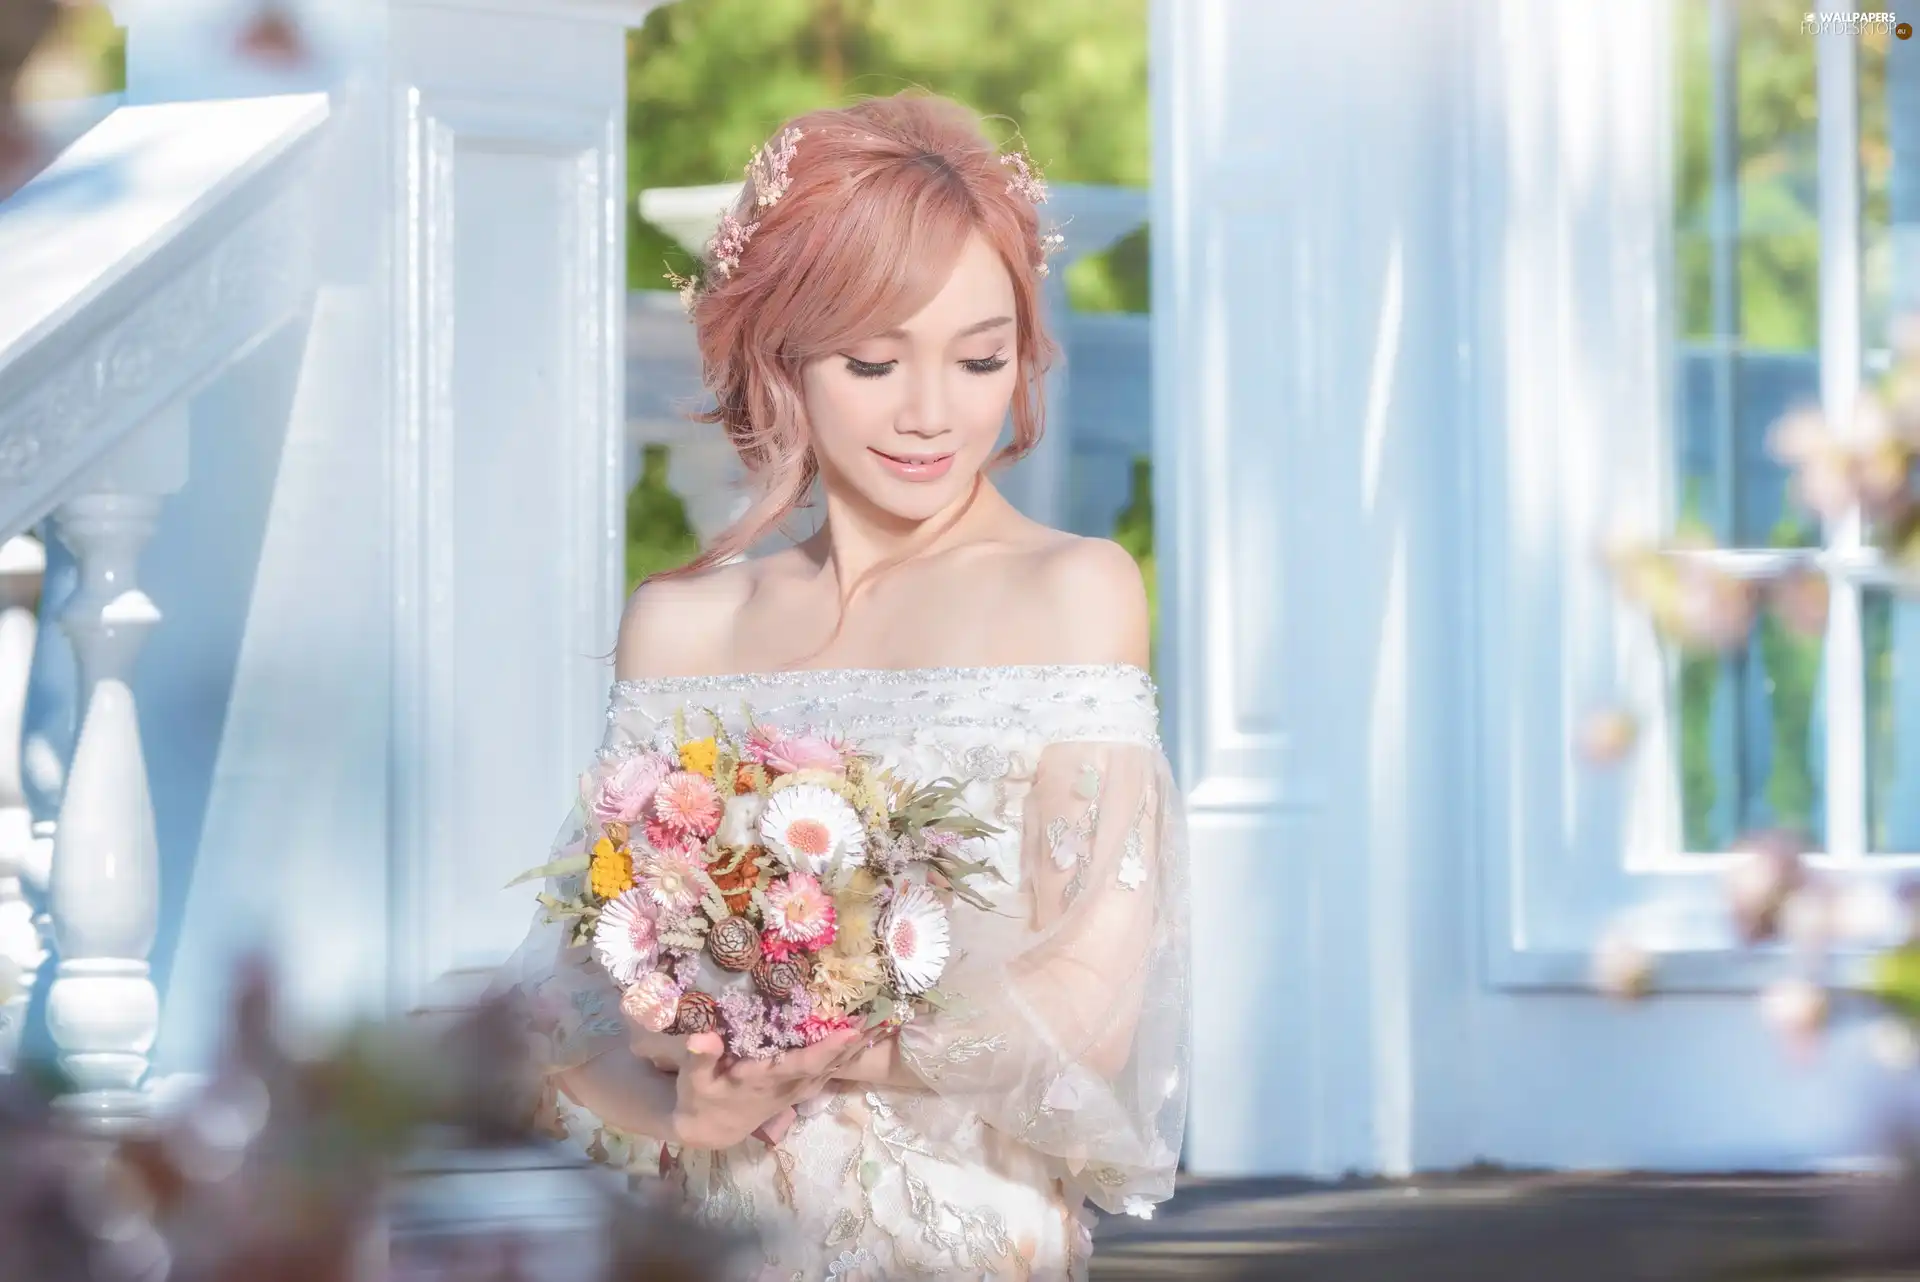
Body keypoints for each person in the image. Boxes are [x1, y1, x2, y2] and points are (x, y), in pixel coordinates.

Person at [495, 92, 1190, 1281]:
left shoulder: (1073, 592)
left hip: (961, 1228)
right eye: (874, 361)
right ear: (782, 357)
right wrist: (677, 1110)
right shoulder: (684, 625)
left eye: (981, 357)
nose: (933, 413)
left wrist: (817, 1047)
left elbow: (1091, 1006)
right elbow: (573, 997)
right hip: (708, 1227)